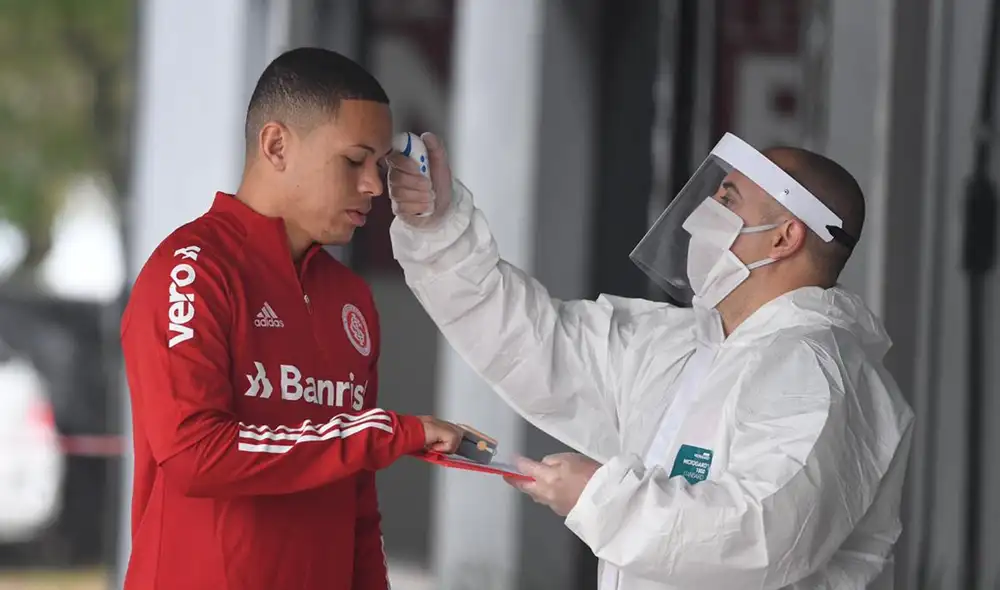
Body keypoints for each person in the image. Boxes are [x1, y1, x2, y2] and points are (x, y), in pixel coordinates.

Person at [386, 131, 914, 589]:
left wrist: (601, 497)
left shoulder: (818, 375)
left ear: (783, 237)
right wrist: (438, 230)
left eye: (727, 201)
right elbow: (530, 341)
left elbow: (763, 533)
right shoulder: (685, 345)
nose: (701, 218)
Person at [120, 48, 464, 590]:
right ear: (276, 145)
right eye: (354, 161)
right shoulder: (192, 269)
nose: (374, 186)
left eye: (378, 166)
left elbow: (358, 506)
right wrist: (386, 432)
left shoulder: (351, 298)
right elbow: (195, 455)